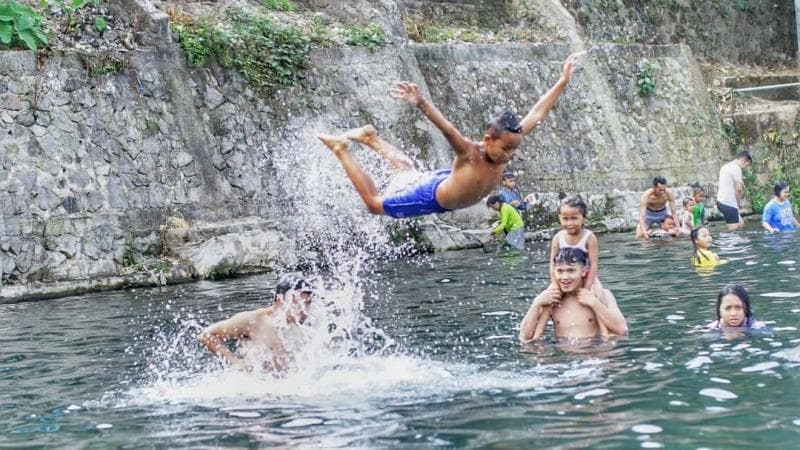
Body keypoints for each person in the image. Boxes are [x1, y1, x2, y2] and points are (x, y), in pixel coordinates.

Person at [317, 51, 585, 218]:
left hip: (447, 183)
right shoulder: (470, 153)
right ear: (489, 139)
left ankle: (370, 138)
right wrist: (421, 102)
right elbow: (447, 128)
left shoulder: (509, 138)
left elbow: (536, 115)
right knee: (375, 206)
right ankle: (342, 148)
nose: (509, 156)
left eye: (514, 150)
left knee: (406, 171)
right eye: (505, 149)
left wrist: (562, 81)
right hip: (433, 197)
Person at [198, 273, 316, 372]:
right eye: (297, 303)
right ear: (280, 300)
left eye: (307, 303)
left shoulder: (307, 327)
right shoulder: (254, 320)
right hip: (257, 391)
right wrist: (236, 363)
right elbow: (206, 335)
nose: (303, 309)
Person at [519, 248, 628, 341]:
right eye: (560, 271)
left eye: (571, 271)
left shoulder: (601, 294)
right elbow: (525, 337)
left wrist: (594, 303)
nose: (565, 277)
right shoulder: (552, 299)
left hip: (593, 354)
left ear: (584, 271)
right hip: (563, 358)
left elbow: (622, 330)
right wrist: (536, 303)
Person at [548, 195, 603, 297]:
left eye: (574, 218)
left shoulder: (589, 237)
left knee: (600, 296)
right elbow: (552, 263)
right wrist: (555, 286)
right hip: (564, 278)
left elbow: (593, 264)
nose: (569, 223)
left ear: (583, 218)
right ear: (559, 218)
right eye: (565, 219)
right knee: (548, 298)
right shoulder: (557, 238)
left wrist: (587, 288)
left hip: (586, 277)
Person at [716, 151, 752, 231]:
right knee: (733, 230)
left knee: (740, 223)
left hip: (721, 201)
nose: (745, 167)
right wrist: (738, 203)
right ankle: (727, 242)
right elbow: (739, 189)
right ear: (743, 160)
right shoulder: (736, 168)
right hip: (728, 204)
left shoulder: (726, 166)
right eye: (746, 165)